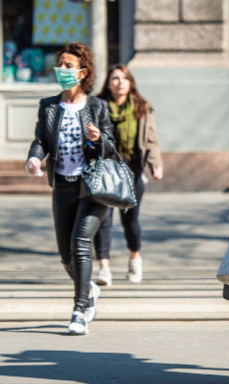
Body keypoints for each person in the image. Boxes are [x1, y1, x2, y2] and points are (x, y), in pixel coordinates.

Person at [25, 42, 114, 335]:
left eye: (68, 65)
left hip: (93, 188)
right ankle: (87, 288)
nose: (61, 70)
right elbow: (41, 140)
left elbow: (113, 150)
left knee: (80, 244)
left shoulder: (98, 107)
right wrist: (35, 158)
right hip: (63, 186)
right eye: (60, 64)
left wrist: (99, 137)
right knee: (66, 255)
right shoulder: (49, 106)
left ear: (82, 71)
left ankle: (79, 309)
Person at [92, 64, 163, 286]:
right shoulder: (97, 107)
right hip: (104, 168)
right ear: (109, 83)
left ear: (131, 82)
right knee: (102, 219)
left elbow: (151, 139)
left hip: (132, 171)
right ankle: (103, 267)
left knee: (130, 220)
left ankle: (134, 258)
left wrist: (155, 164)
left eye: (124, 78)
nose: (120, 82)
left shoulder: (142, 108)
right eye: (114, 78)